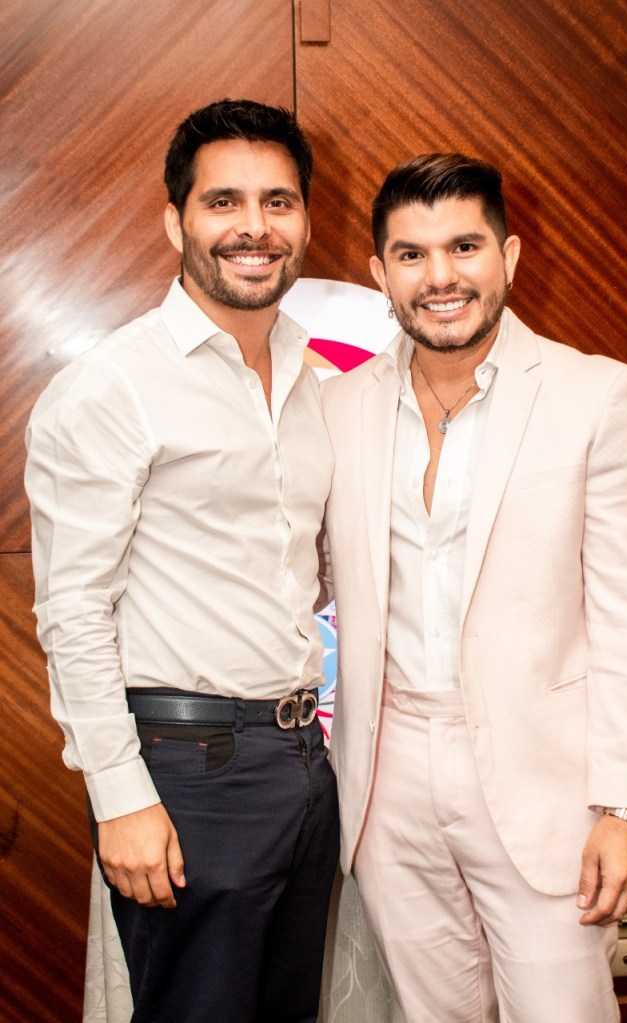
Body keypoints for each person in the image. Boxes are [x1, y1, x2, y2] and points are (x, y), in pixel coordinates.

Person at [318, 153, 627, 1023]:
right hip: (386, 774)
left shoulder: (599, 395)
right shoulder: (335, 407)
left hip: (547, 781)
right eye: (412, 254)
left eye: (464, 246)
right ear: (381, 274)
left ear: (508, 255)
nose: (440, 276)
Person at [25, 98, 339, 1023]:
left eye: (278, 201)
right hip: (188, 767)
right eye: (223, 201)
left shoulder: (320, 380)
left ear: (305, 220)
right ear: (176, 222)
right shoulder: (113, 385)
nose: (255, 226)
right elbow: (73, 608)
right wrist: (120, 795)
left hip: (303, 758)